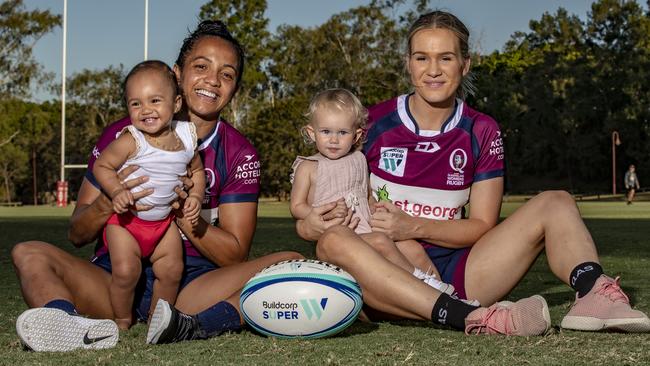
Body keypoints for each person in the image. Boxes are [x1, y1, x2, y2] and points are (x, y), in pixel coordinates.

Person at [297, 10, 650, 335]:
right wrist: (309, 223)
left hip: (462, 274)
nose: (433, 70)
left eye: (445, 58)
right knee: (331, 242)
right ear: (408, 64)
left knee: (555, 202)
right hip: (384, 271)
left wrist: (415, 226)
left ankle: (594, 296)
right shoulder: (372, 124)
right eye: (422, 58)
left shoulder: (482, 129)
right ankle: (470, 317)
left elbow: (482, 227)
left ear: (465, 64)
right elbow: (324, 189)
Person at [12, 20, 302, 352]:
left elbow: (235, 255)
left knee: (289, 262)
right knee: (28, 253)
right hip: (114, 276)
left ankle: (193, 326)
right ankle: (65, 322)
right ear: (177, 75)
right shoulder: (124, 135)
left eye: (227, 74)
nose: (212, 80)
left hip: (188, 287)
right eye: (201, 66)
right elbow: (77, 234)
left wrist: (181, 213)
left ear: (235, 88)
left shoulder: (239, 152)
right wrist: (109, 202)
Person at [290, 88, 455, 295]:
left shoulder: (359, 159)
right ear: (311, 133)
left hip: (368, 228)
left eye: (342, 132)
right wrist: (317, 215)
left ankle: (444, 293)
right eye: (326, 132)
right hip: (342, 238)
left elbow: (366, 193)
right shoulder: (308, 167)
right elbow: (297, 206)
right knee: (381, 242)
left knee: (412, 247)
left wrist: (375, 207)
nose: (334, 140)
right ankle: (423, 286)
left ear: (356, 134)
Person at [93, 60, 205, 330]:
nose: (146, 110)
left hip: (163, 224)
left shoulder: (187, 136)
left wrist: (196, 197)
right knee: (126, 272)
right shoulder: (132, 139)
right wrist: (117, 190)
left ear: (176, 103)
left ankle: (158, 319)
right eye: (136, 104)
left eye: (155, 100)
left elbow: (197, 171)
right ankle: (121, 319)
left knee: (171, 270)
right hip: (127, 224)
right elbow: (102, 166)